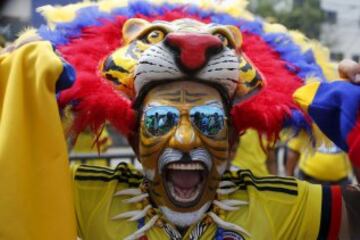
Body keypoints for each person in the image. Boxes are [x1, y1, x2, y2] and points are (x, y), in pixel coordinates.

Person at [1, 1, 360, 240]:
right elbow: (14, 192)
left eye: (207, 119)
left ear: (232, 142)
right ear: (135, 141)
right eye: (160, 120)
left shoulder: (279, 205)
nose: (185, 140)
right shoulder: (93, 194)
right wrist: (15, 93)